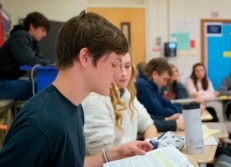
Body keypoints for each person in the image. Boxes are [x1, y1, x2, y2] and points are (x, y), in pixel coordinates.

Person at [0, 11, 152, 167]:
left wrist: (114, 154)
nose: (119, 74)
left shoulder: (75, 107)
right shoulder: (41, 124)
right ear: (85, 57)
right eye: (114, 64)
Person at [82, 52, 158, 156]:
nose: (123, 73)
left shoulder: (126, 92)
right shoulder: (95, 100)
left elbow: (148, 125)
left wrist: (149, 147)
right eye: (115, 66)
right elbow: (102, 157)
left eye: (127, 66)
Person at [0, 12, 53, 100]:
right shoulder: (20, 37)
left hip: (8, 79)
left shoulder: (33, 42)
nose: (45, 34)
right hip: (1, 82)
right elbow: (28, 60)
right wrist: (52, 63)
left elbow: (40, 59)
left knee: (43, 85)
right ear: (32, 26)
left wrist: (50, 63)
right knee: (40, 89)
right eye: (43, 30)